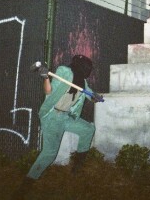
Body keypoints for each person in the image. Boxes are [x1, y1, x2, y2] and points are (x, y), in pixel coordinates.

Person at [12, 54, 98, 199]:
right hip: (53, 117)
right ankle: (24, 187)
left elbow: (89, 95)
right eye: (87, 67)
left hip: (67, 117)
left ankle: (77, 166)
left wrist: (96, 97)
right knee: (49, 154)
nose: (88, 70)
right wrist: (46, 77)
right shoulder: (64, 71)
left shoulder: (82, 82)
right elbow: (49, 91)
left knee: (88, 129)